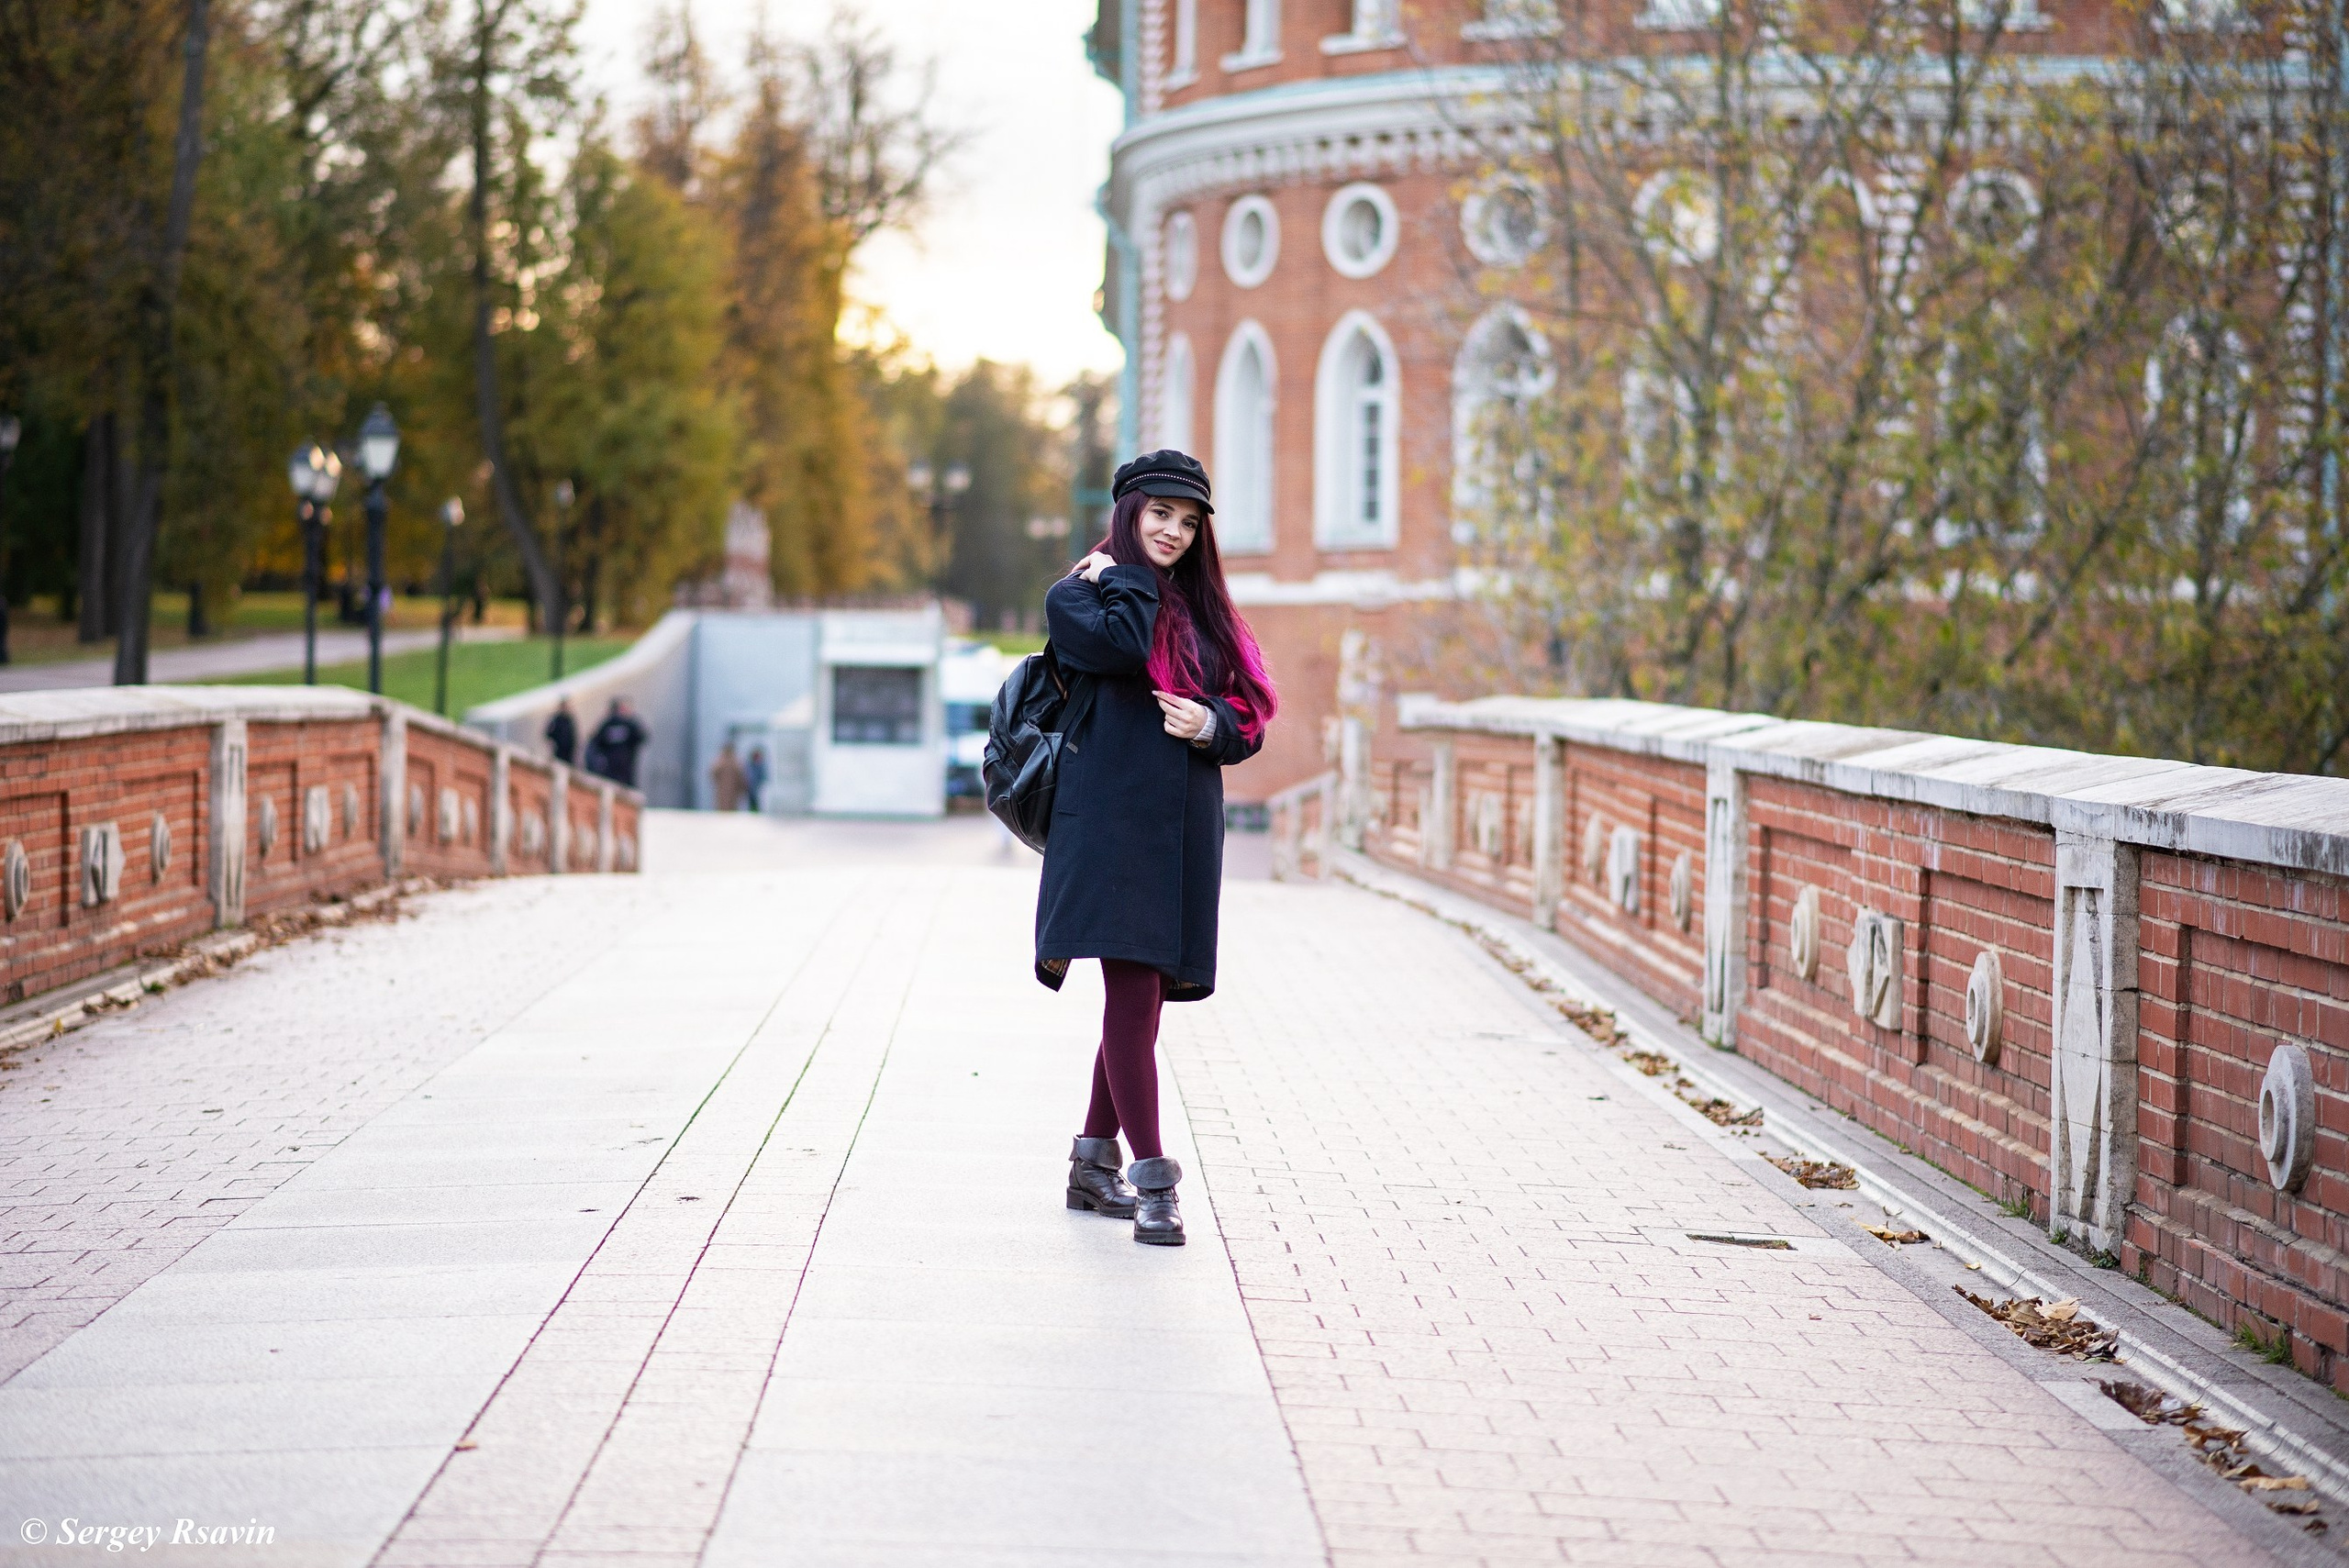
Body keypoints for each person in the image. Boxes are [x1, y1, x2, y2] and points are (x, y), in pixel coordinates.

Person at [1034, 449, 1276, 1246]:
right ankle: (1154, 1180)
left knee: (1141, 1005)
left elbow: (1247, 711)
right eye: (1160, 514)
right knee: (1133, 999)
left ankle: (1090, 1163)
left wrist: (1211, 723)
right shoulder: (1079, 596)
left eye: (1189, 521)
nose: (1174, 531)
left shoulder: (1207, 612)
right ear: (1128, 513)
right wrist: (1122, 577)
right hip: (1108, 828)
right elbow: (1124, 643)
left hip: (1181, 833)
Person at [585, 697, 649, 789]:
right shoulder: (608, 724)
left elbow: (642, 737)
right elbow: (595, 743)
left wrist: (632, 719)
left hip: (626, 773)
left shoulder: (630, 725)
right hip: (609, 772)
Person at [710, 740, 746, 811]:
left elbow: (713, 774)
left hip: (730, 791)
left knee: (727, 807)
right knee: (726, 808)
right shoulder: (735, 762)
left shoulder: (721, 761)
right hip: (726, 790)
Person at [544, 698, 578, 766]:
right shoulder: (556, 720)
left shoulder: (570, 720)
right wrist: (553, 744)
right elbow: (548, 734)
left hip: (569, 753)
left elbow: (574, 735)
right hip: (559, 752)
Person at [744, 746, 769, 813]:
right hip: (750, 789)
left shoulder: (761, 766)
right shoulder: (749, 765)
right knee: (751, 805)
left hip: (758, 789)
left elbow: (764, 778)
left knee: (758, 804)